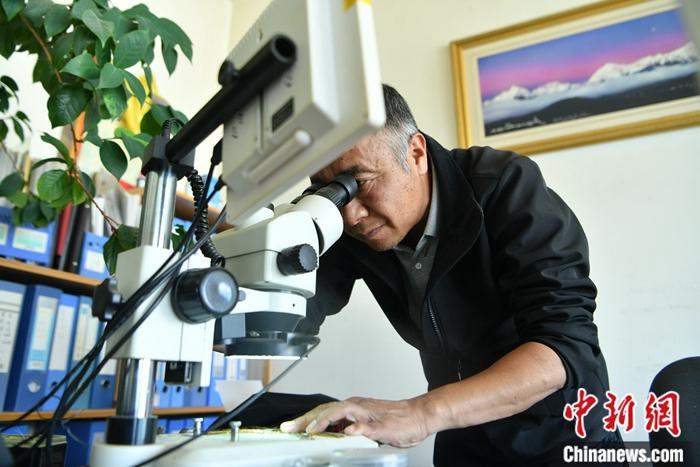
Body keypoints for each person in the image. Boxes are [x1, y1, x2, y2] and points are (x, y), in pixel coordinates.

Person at [279, 85, 624, 466]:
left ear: (415, 153)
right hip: (463, 439)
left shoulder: (507, 187)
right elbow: (290, 312)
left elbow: (563, 347)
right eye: (331, 192)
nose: (351, 215)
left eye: (360, 183)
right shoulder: (347, 220)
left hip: (561, 437)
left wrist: (421, 413)